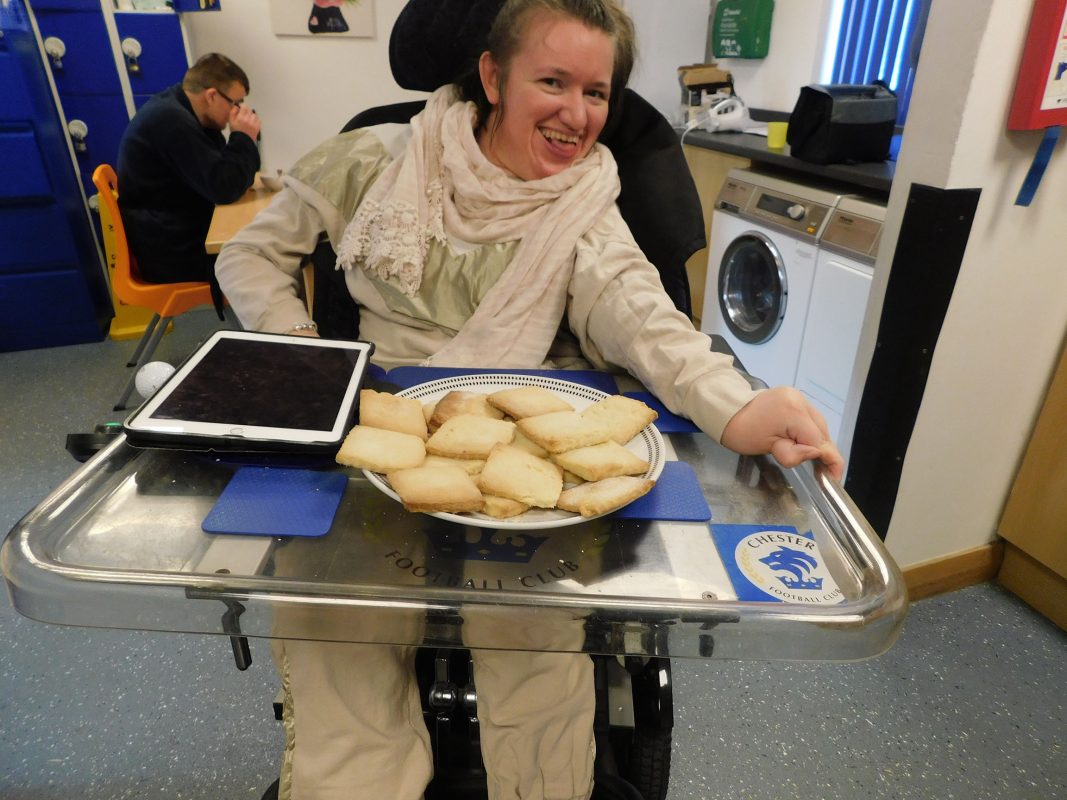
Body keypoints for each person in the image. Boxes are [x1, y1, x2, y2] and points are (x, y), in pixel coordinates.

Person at [216, 1, 844, 798]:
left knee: (537, 635)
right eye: (551, 81)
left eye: (595, 91)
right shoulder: (375, 158)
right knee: (332, 621)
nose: (576, 115)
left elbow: (648, 324)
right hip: (379, 427)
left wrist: (744, 407)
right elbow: (248, 256)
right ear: (491, 76)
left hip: (522, 450)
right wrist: (306, 358)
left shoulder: (585, 204)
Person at [117, 53, 261, 288]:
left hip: (180, 232)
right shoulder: (171, 121)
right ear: (212, 95)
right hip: (173, 253)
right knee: (267, 258)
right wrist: (243, 137)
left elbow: (231, 175)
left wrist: (245, 140)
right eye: (235, 103)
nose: (238, 111)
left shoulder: (191, 113)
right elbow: (224, 188)